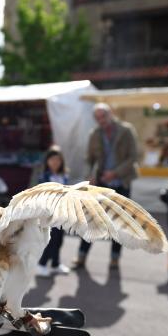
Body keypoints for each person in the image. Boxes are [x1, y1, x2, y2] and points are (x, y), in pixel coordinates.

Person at [71, 102, 139, 271]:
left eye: (103, 116)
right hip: (101, 184)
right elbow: (89, 158)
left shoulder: (126, 130)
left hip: (121, 182)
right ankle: (81, 257)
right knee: (92, 221)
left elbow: (133, 157)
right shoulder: (95, 133)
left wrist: (115, 173)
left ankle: (115, 259)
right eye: (98, 118)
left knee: (119, 224)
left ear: (111, 114)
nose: (101, 120)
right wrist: (89, 175)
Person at [36, 147, 71, 278]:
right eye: (52, 159)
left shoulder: (64, 176)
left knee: (59, 240)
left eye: (58, 160)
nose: (55, 162)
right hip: (49, 215)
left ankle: (55, 264)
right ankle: (42, 264)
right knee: (50, 240)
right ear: (47, 161)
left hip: (62, 214)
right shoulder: (44, 177)